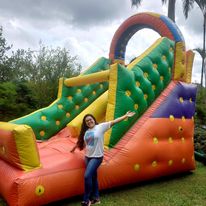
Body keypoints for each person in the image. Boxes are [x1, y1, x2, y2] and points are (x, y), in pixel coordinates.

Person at [70, 111, 135, 206]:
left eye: (90, 119)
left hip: (97, 157)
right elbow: (84, 143)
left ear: (93, 119)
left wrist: (125, 116)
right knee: (93, 177)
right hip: (88, 157)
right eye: (87, 121)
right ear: (85, 123)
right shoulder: (86, 132)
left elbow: (114, 122)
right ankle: (96, 199)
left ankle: (86, 199)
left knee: (87, 176)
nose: (89, 122)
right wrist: (73, 149)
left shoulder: (100, 127)